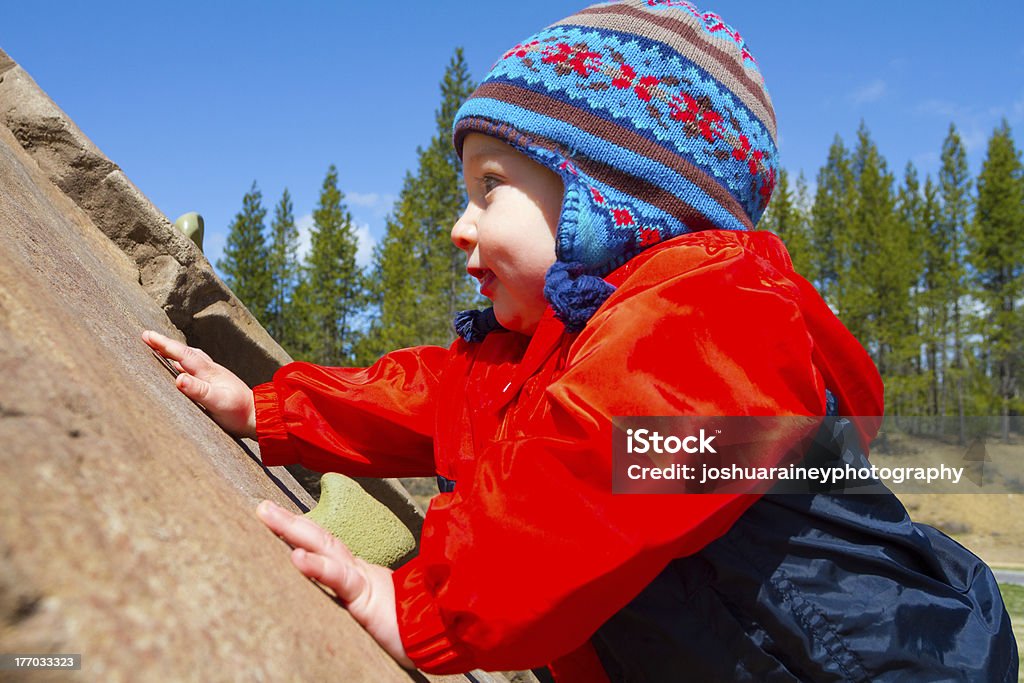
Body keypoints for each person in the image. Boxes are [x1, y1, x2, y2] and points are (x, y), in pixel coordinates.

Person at [144, 1, 1018, 680]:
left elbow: (598, 461)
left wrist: (420, 607)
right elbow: (435, 393)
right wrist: (267, 405)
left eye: (491, 187)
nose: (461, 224)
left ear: (614, 196)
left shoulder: (714, 319)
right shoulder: (553, 346)